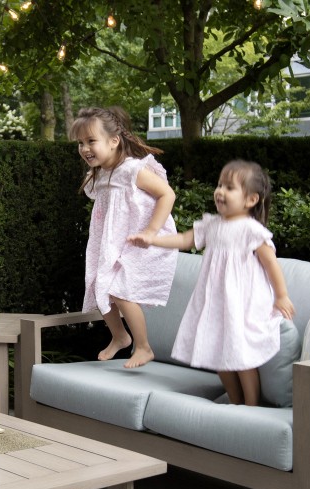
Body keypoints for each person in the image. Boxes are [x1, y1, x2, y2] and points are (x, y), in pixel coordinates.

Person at [128, 160, 294, 405]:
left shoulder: (251, 230)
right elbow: (185, 239)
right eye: (219, 185)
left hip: (240, 301)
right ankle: (235, 402)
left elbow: (271, 264)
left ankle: (251, 403)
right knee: (218, 353)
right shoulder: (212, 224)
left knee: (240, 354)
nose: (220, 191)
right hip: (214, 300)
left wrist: (281, 296)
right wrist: (152, 239)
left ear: (251, 200)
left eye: (229, 187)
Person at [69, 106, 178, 368]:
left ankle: (143, 347)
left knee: (120, 289)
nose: (85, 148)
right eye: (81, 143)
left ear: (114, 141)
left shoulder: (133, 170)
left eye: (91, 141)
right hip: (112, 242)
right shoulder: (100, 175)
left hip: (142, 241)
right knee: (99, 283)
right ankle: (120, 336)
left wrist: (151, 231)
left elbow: (168, 195)